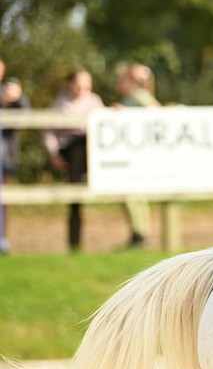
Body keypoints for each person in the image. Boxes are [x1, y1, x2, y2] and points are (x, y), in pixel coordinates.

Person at [42, 69, 104, 251]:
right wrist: (54, 155)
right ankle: (75, 243)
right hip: (71, 152)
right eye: (80, 83)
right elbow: (48, 132)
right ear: (70, 84)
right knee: (78, 145)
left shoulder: (94, 101)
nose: (84, 88)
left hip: (92, 152)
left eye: (87, 83)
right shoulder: (60, 104)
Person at [114, 63, 160, 248]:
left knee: (132, 194)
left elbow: (155, 110)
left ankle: (139, 234)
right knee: (136, 195)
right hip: (135, 153)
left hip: (136, 155)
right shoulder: (131, 98)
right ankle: (139, 233)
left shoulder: (139, 97)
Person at [0, 58, 30, 254]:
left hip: (5, 156)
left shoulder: (10, 94)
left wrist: (17, 98)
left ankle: (3, 238)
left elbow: (25, 113)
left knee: (4, 199)